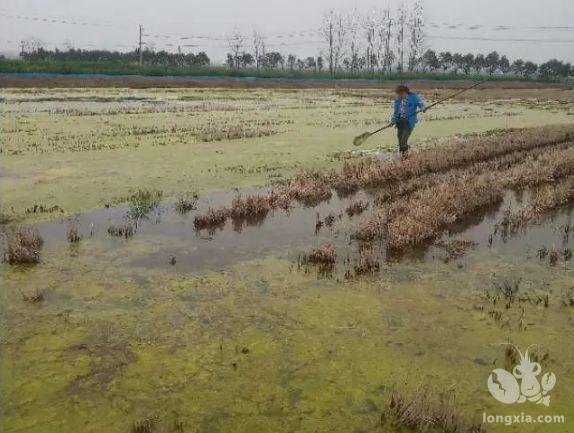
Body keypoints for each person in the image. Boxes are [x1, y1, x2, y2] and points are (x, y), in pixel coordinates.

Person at [390, 85, 427, 157]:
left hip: (409, 122)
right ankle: (402, 155)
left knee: (403, 140)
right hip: (400, 122)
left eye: (401, 94)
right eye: (398, 94)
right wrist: (392, 121)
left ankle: (405, 156)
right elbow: (395, 113)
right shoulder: (398, 100)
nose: (400, 96)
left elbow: (421, 104)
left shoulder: (413, 97)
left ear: (405, 92)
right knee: (400, 140)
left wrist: (423, 108)